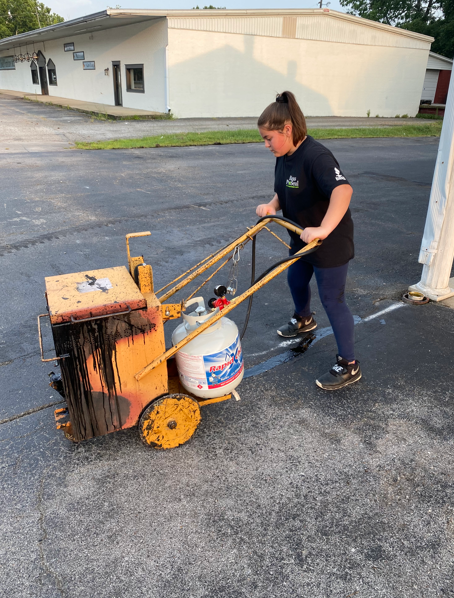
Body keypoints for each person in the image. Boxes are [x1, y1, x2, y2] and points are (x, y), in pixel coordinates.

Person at [255, 91, 361, 391]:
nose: (266, 145)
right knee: (296, 281)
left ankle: (349, 364)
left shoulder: (317, 156)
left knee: (333, 300)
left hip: (329, 242)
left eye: (268, 138)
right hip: (301, 238)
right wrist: (272, 206)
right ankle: (303, 319)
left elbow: (344, 192)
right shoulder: (284, 155)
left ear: (286, 130)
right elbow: (285, 190)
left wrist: (323, 229)